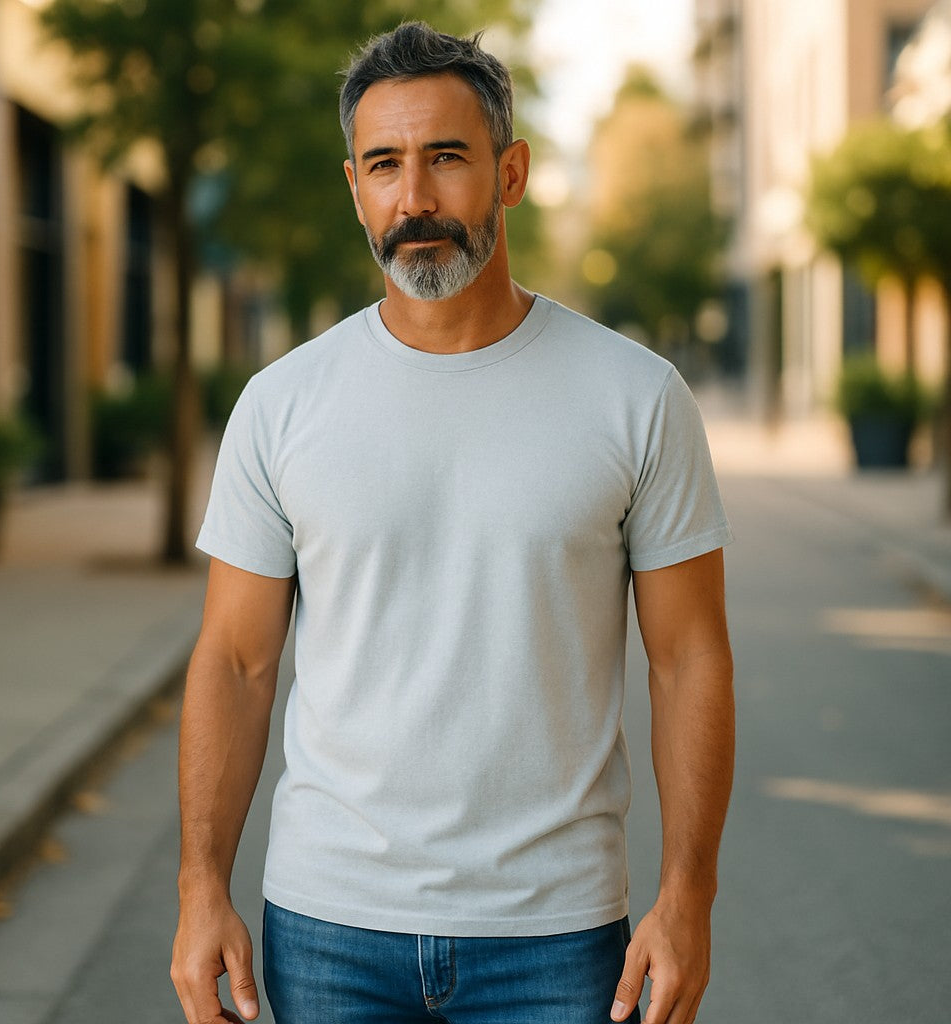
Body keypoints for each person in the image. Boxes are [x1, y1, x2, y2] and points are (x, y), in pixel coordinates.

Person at [170, 21, 734, 1024]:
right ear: (355, 187)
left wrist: (688, 897)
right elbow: (236, 663)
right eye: (385, 165)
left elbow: (689, 658)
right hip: (329, 925)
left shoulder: (636, 397)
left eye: (447, 158)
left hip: (556, 934)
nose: (415, 197)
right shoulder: (281, 404)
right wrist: (200, 886)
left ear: (510, 173)